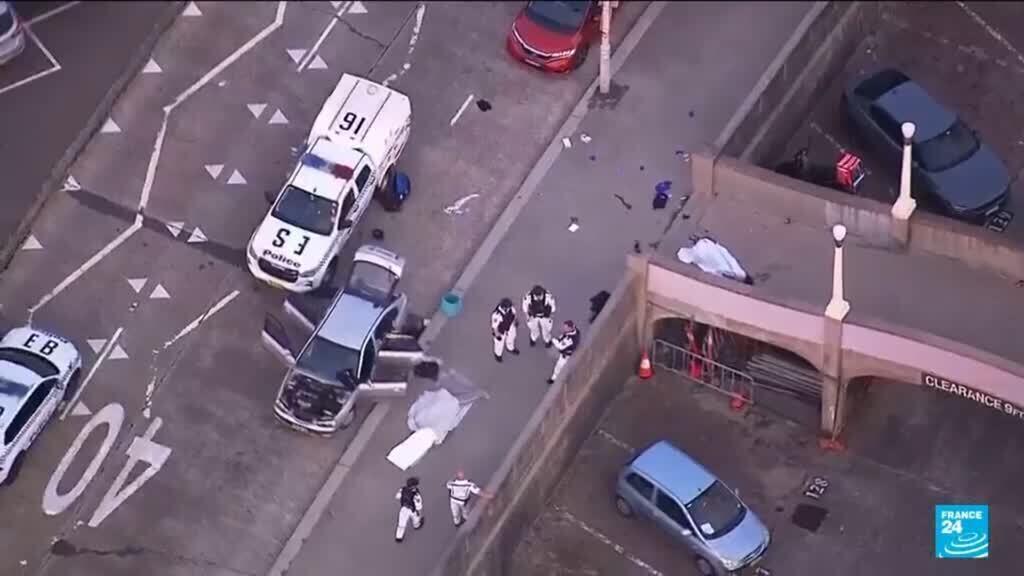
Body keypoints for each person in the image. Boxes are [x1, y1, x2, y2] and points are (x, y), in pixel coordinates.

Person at [547, 320, 580, 384]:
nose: (564, 328)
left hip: (566, 355)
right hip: (570, 352)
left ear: (570, 328)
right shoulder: (575, 330)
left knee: (559, 366)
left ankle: (554, 378)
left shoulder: (570, 339)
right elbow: (563, 336)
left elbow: (560, 347)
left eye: (566, 327)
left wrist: (553, 339)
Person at [490, 297, 520, 362]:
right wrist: (497, 335)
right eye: (509, 306)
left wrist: (515, 321)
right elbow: (494, 327)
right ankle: (498, 355)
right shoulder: (496, 315)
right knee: (499, 344)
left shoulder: (511, 309)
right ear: (504, 307)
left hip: (510, 326)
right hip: (501, 330)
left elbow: (514, 315)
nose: (510, 307)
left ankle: (510, 348)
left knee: (511, 338)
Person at [394, 477, 424, 542]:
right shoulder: (416, 494)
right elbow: (419, 506)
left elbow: (397, 496)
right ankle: (416, 525)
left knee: (401, 523)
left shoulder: (402, 489)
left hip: (404, 508)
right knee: (416, 518)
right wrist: (421, 514)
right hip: (412, 509)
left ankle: (399, 537)